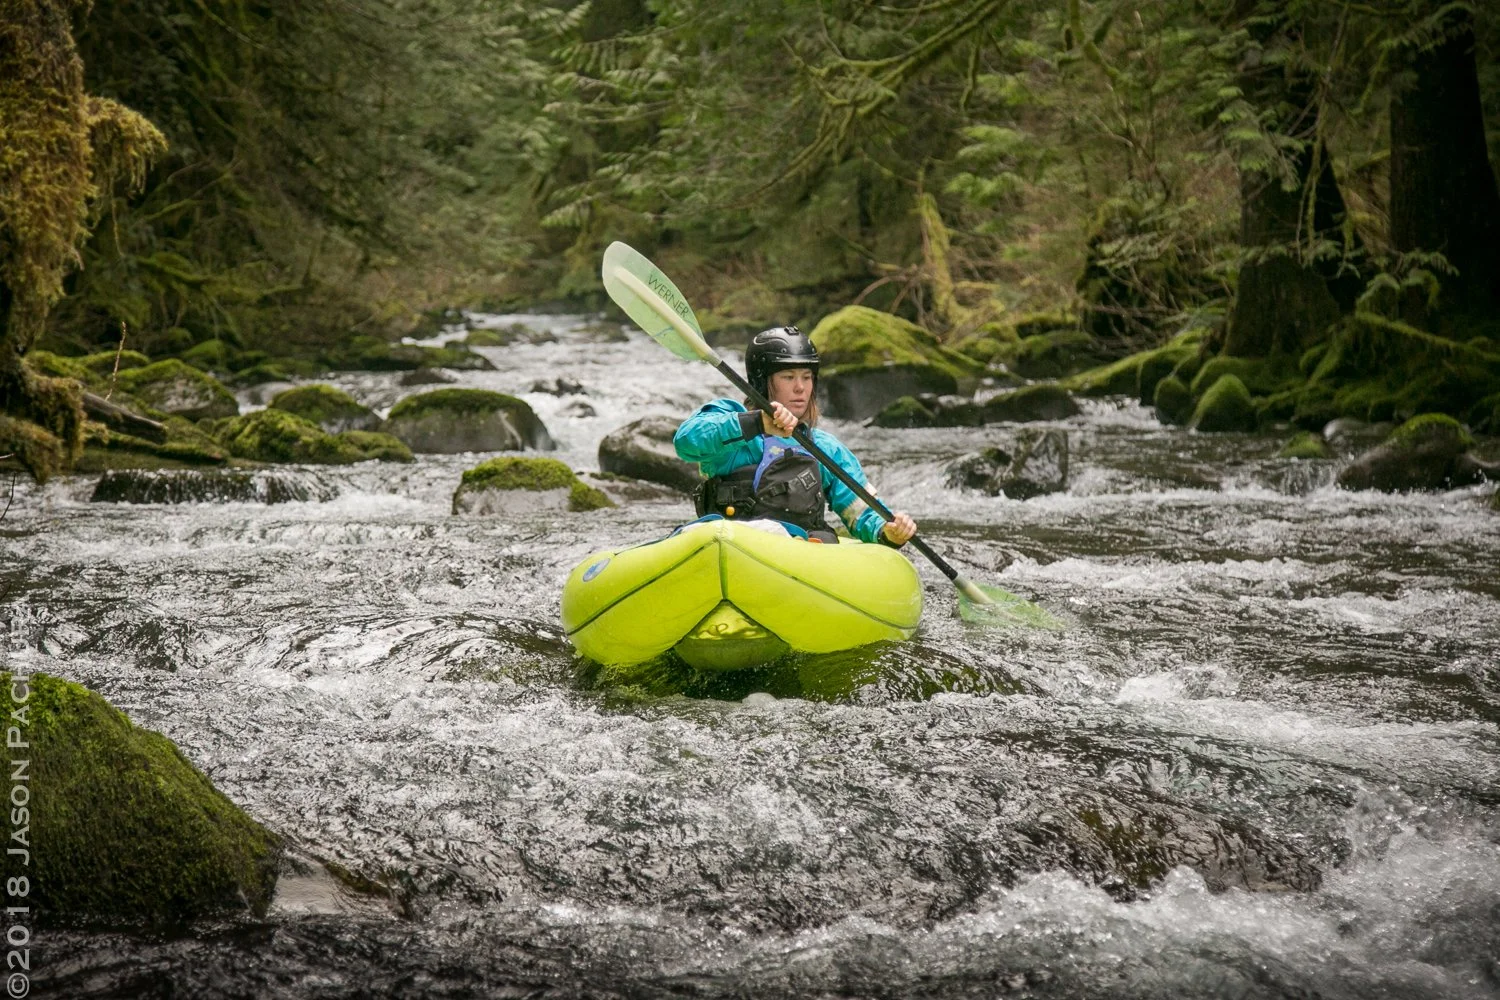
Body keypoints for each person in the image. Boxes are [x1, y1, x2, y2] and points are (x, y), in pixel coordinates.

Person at [673, 326, 918, 547]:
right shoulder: (732, 421)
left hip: (800, 552)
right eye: (788, 377)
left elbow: (861, 512)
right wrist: (757, 422)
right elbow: (686, 442)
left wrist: (887, 531)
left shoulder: (824, 448)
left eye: (807, 377)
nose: (800, 388)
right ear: (762, 382)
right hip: (727, 541)